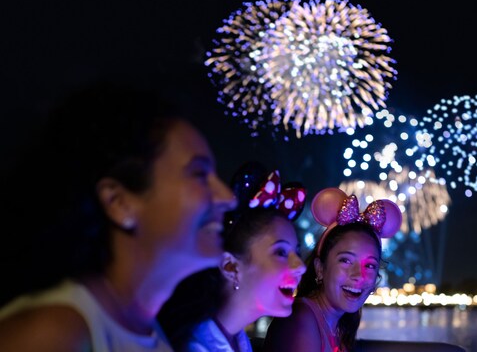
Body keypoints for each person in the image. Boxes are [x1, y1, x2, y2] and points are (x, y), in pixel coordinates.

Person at [0, 80, 236, 351]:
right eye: (199, 174)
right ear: (119, 202)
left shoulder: (145, 330)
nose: (228, 197)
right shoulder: (54, 333)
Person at [158, 166, 307, 352]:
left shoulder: (238, 342)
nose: (300, 266)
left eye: (297, 253)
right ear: (230, 267)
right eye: (281, 252)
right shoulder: (190, 346)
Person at [263, 187, 402, 352]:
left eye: (370, 265)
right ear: (320, 269)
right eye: (345, 261)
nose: (359, 275)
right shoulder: (301, 321)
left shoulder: (339, 328)